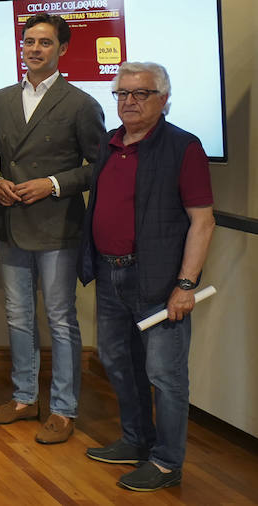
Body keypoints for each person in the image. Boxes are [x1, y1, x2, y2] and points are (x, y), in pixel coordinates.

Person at [79, 61, 214, 492]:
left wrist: (186, 284)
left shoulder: (183, 147)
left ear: (164, 100)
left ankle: (167, 461)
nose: (129, 102)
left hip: (158, 281)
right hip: (110, 273)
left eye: (141, 93)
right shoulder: (110, 142)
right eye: (122, 93)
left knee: (164, 374)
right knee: (118, 364)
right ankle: (136, 440)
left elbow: (202, 221)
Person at [0, 14, 105, 444]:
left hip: (58, 226)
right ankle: (23, 398)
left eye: (45, 43)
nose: (34, 49)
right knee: (17, 315)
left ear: (62, 49)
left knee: (60, 318)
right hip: (10, 222)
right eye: (29, 41)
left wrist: (52, 184)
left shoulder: (81, 103)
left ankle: (64, 409)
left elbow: (98, 168)